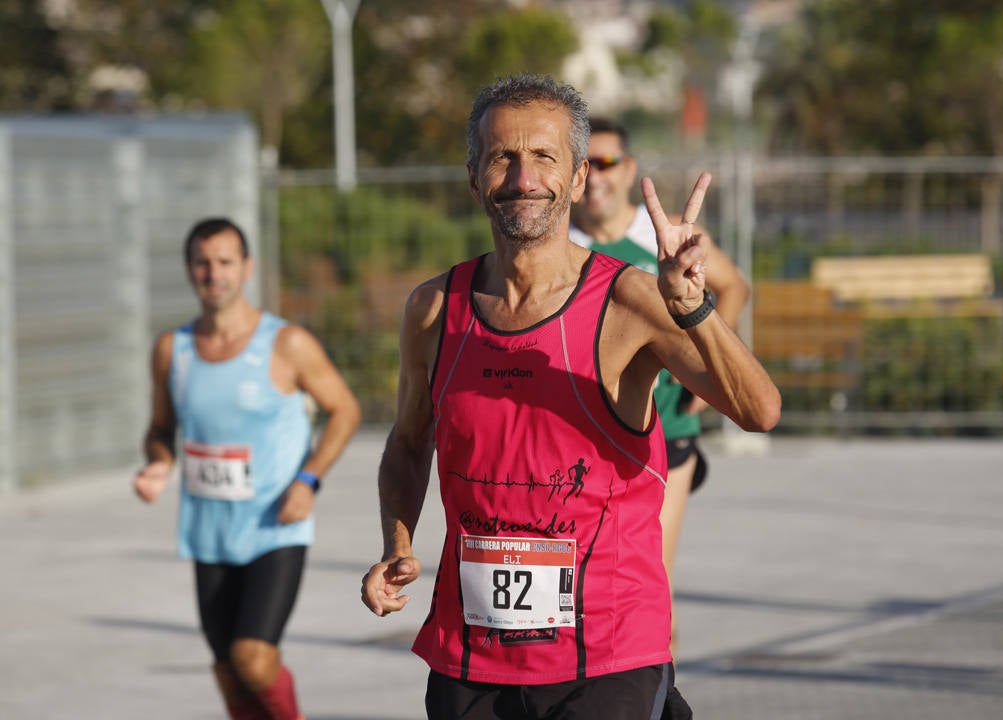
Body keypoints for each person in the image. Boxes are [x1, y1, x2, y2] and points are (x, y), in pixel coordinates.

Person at [360, 74, 780, 720]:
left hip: (607, 657)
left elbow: (760, 410)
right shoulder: (433, 310)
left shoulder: (630, 300)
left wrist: (694, 308)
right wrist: (397, 540)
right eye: (503, 157)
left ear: (578, 179)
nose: (523, 177)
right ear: (474, 178)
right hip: (472, 655)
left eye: (544, 157)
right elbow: (409, 441)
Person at [133, 217, 361, 720]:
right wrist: (158, 463)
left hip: (274, 529)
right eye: (202, 262)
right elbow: (160, 428)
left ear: (247, 268)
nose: (213, 273)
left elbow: (345, 409)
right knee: (227, 674)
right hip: (208, 532)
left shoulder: (286, 344)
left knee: (252, 659)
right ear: (190, 270)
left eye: (224, 262)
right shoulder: (173, 349)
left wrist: (309, 479)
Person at [569, 116, 750, 657]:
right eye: (584, 165)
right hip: (591, 445)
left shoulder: (663, 234)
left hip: (665, 436)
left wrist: (711, 365)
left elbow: (733, 285)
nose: (595, 177)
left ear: (627, 170)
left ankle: (657, 693)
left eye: (606, 163)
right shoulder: (560, 246)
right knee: (590, 592)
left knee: (649, 585)